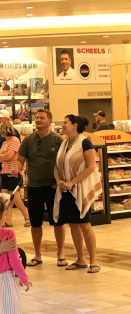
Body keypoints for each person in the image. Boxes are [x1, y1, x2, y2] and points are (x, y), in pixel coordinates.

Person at [14, 109, 66, 268]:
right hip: (34, 186)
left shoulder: (58, 140)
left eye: (42, 118)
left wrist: (61, 181)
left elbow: (64, 163)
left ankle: (60, 254)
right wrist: (17, 169)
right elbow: (20, 160)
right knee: (35, 222)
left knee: (57, 221)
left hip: (53, 186)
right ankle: (37, 255)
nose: (38, 120)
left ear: (50, 121)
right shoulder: (28, 140)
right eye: (37, 118)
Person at [53, 115, 101, 273]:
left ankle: (93, 260)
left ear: (74, 125)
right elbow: (57, 166)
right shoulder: (64, 143)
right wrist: (59, 180)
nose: (63, 125)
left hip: (80, 189)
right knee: (73, 224)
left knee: (85, 224)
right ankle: (81, 259)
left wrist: (72, 182)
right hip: (66, 190)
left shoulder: (85, 142)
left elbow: (91, 167)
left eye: (65, 122)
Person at [0, 121, 30, 228]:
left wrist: (3, 156)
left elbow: (8, 156)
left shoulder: (15, 140)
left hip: (13, 172)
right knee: (5, 198)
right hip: (4, 172)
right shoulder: (4, 143)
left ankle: (27, 217)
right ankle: (7, 221)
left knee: (14, 197)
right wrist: (3, 156)